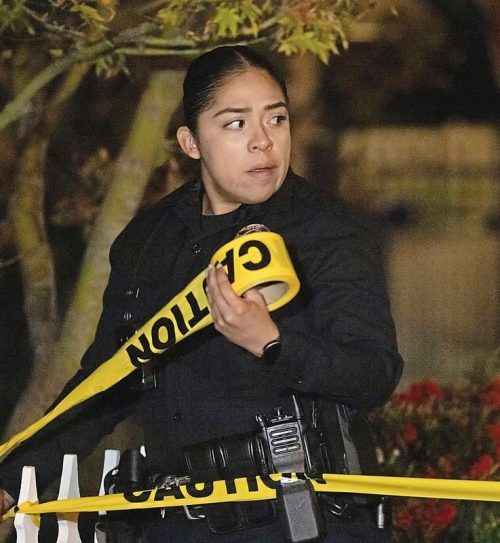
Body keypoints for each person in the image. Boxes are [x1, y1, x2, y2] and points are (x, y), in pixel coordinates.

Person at [0, 45, 403, 542]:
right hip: (176, 524)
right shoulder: (148, 241)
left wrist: (272, 343)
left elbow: (373, 373)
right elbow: (108, 380)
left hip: (300, 522)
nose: (263, 142)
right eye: (236, 123)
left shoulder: (328, 231)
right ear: (191, 142)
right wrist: (11, 479)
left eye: (276, 119)